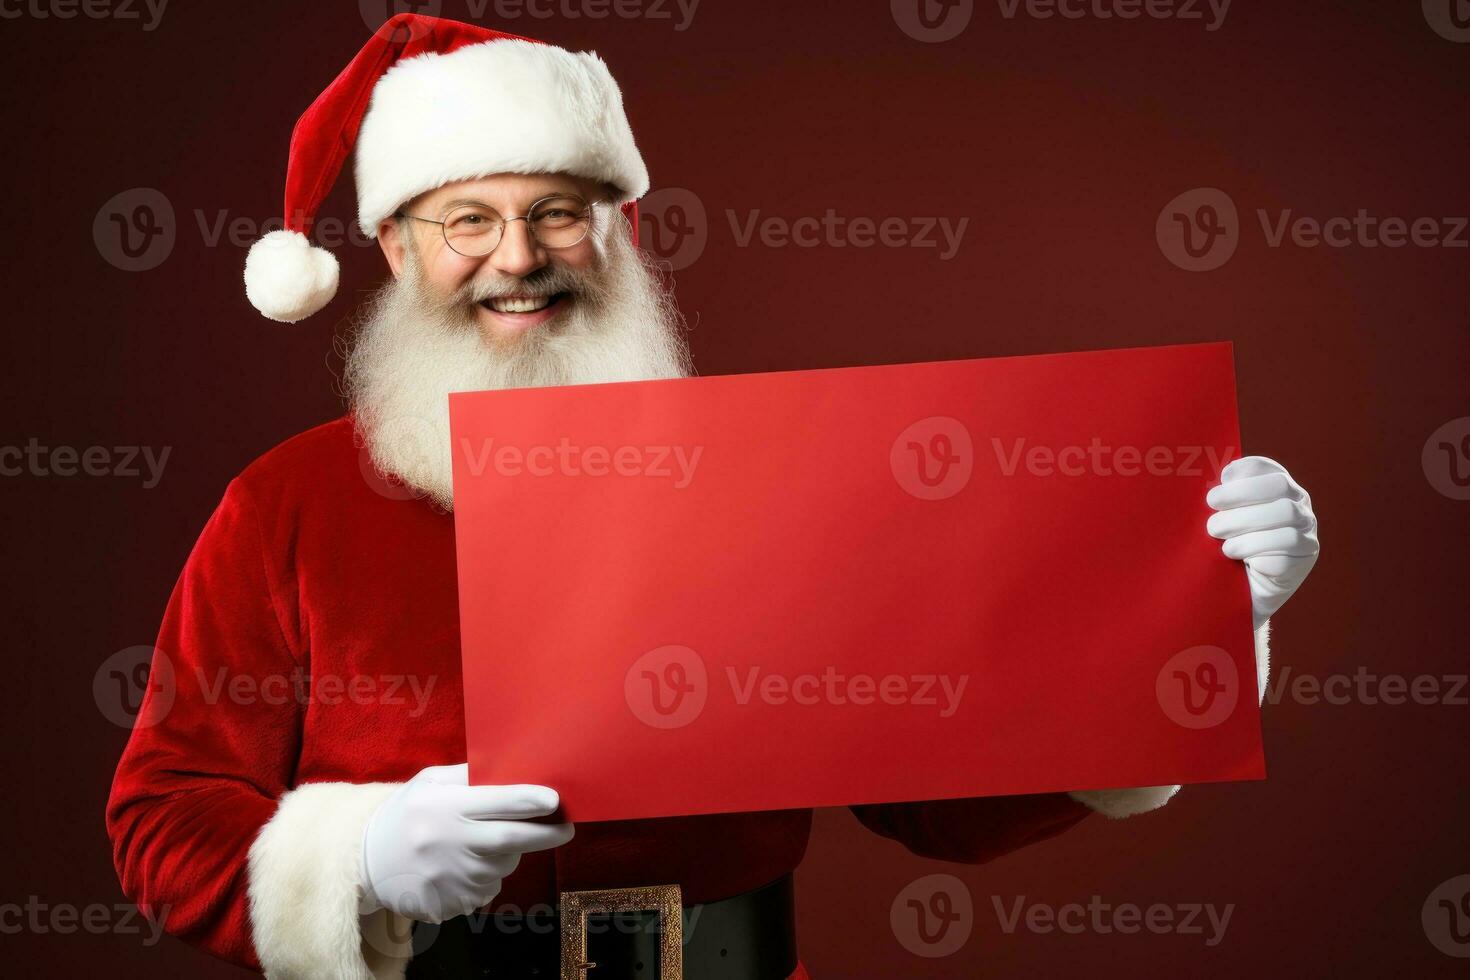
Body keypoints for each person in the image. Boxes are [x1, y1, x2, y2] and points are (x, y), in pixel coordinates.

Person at [105, 13, 1319, 979]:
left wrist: (1199, 618)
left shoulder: (758, 477)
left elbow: (944, 791)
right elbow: (163, 813)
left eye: (556, 215)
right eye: (466, 219)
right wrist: (360, 855)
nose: (516, 258)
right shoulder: (285, 506)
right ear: (399, 249)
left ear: (616, 233)